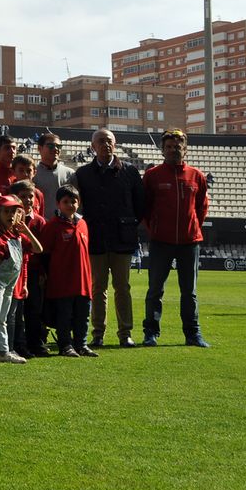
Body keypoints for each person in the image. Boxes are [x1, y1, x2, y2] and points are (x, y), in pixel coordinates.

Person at [75, 128, 144, 348]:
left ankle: (125, 333)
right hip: (95, 239)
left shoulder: (130, 172)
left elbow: (140, 205)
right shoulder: (83, 173)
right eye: (101, 141)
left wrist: (128, 224)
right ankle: (98, 334)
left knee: (123, 287)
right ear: (93, 146)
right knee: (97, 289)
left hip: (122, 239)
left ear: (115, 144)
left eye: (110, 141)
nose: (106, 144)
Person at [141, 129, 210, 348]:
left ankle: (193, 334)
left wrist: (193, 228)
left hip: (189, 243)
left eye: (177, 146)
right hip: (161, 241)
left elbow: (201, 207)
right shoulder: (152, 175)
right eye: (169, 147)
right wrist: (156, 229)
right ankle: (150, 333)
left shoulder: (196, 175)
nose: (173, 150)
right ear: (163, 150)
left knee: (189, 292)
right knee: (155, 290)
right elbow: (145, 208)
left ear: (185, 148)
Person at [0, 195, 42, 364]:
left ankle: (3, 350)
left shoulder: (16, 235)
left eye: (14, 211)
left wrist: (26, 231)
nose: (11, 215)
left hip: (10, 279)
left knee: (2, 316)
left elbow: (38, 249)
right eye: (6, 211)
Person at [39, 185, 97, 358]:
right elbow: (45, 253)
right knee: (64, 316)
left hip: (83, 281)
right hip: (62, 281)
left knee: (83, 315)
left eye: (73, 201)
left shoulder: (83, 224)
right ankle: (65, 345)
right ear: (58, 204)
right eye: (66, 202)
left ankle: (82, 344)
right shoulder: (53, 226)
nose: (70, 205)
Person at [8, 179, 48, 358]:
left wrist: (42, 271)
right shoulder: (8, 219)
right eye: (23, 196)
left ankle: (35, 343)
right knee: (15, 310)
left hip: (32, 271)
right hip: (13, 270)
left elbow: (43, 251)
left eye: (30, 196)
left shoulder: (39, 222)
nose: (27, 200)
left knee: (33, 309)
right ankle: (18, 344)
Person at [34, 133, 76, 219]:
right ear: (39, 148)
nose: (55, 149)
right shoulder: (32, 173)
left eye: (59, 146)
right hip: (39, 225)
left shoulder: (70, 174)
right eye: (50, 146)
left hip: (63, 226)